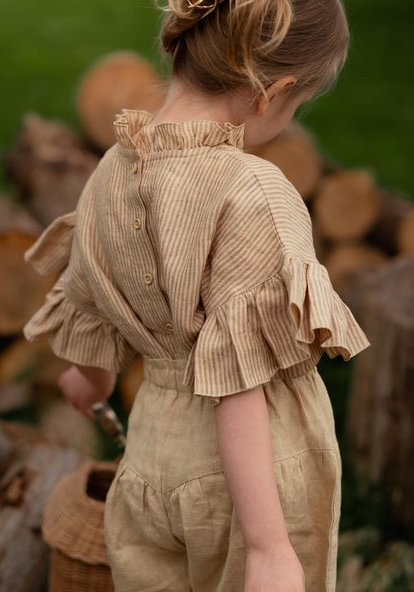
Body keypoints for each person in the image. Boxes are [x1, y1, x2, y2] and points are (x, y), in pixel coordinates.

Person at [22, 1, 371, 590]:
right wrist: (267, 546)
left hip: (151, 462)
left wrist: (92, 380)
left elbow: (92, 300)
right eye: (297, 103)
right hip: (250, 487)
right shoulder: (254, 191)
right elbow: (239, 379)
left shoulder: (110, 170)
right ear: (273, 91)